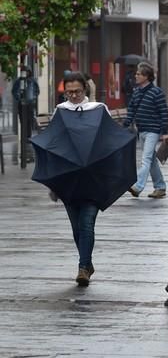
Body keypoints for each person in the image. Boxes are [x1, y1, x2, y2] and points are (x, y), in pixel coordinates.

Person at [54, 71, 109, 286]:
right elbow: (55, 144)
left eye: (77, 91)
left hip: (93, 177)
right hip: (69, 179)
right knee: (76, 227)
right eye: (69, 92)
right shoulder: (60, 111)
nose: (73, 96)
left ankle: (83, 267)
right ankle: (87, 262)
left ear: (85, 89)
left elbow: (108, 140)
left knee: (86, 224)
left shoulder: (98, 109)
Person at [123, 62, 168, 199]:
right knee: (152, 160)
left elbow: (163, 112)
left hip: (153, 131)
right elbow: (132, 109)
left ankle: (137, 186)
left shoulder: (157, 92)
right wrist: (126, 124)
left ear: (146, 77)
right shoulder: (136, 92)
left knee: (146, 159)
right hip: (141, 130)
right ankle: (160, 187)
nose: (135, 76)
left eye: (138, 74)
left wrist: (165, 132)